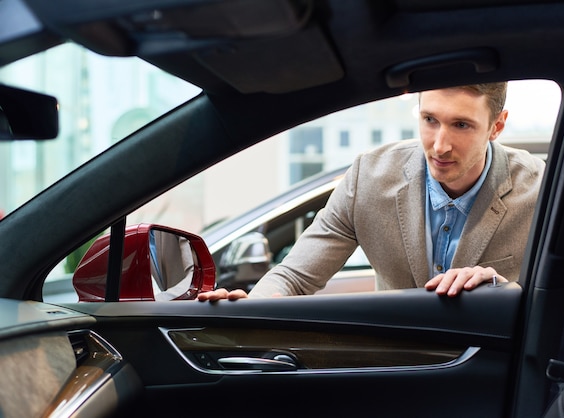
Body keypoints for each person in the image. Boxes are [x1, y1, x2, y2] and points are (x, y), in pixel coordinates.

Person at [198, 82, 545, 302]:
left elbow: (561, 300)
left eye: (461, 125)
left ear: (497, 126)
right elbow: (294, 277)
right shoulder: (369, 177)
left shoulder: (539, 190)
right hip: (396, 365)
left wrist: (502, 289)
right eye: (429, 120)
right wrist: (251, 312)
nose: (439, 145)